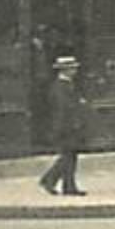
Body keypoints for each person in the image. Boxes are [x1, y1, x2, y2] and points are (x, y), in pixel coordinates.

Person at [38, 56, 88, 196]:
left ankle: (68, 186)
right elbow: (62, 109)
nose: (75, 70)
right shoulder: (60, 87)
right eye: (72, 68)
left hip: (70, 126)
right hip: (66, 127)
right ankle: (49, 180)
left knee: (71, 156)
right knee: (68, 156)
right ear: (65, 70)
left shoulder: (67, 85)